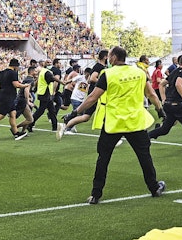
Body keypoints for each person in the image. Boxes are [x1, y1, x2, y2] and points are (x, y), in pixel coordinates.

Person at [69, 46, 166, 204]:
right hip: (135, 121)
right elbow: (151, 94)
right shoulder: (139, 73)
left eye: (110, 56)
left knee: (103, 158)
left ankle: (95, 194)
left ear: (114, 57)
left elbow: (93, 97)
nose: (108, 59)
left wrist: (75, 112)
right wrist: (160, 109)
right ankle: (154, 188)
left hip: (114, 122)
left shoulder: (108, 74)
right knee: (144, 156)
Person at [0, 58, 28, 141]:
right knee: (1, 115)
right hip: (8, 97)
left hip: (3, 95)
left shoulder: (2, 72)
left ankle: (16, 133)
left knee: (13, 114)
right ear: (15, 66)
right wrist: (25, 85)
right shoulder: (13, 73)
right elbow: (16, 85)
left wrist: (3, 86)